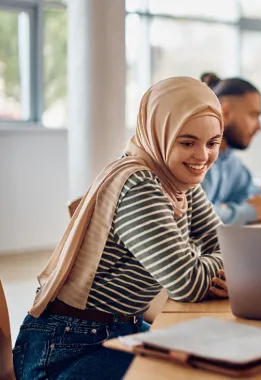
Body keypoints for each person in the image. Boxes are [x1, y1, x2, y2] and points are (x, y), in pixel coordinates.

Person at [12, 77, 228, 380]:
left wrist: (221, 265)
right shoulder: (140, 184)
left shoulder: (178, 178)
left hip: (120, 327)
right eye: (188, 142)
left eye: (212, 143)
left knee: (215, 356)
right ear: (160, 134)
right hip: (69, 345)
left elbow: (228, 247)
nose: (203, 156)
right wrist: (222, 266)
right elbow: (186, 282)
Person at [201, 76, 261, 225]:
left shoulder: (230, 161)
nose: (259, 127)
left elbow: (254, 197)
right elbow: (197, 217)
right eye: (253, 115)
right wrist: (250, 212)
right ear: (225, 113)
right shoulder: (194, 159)